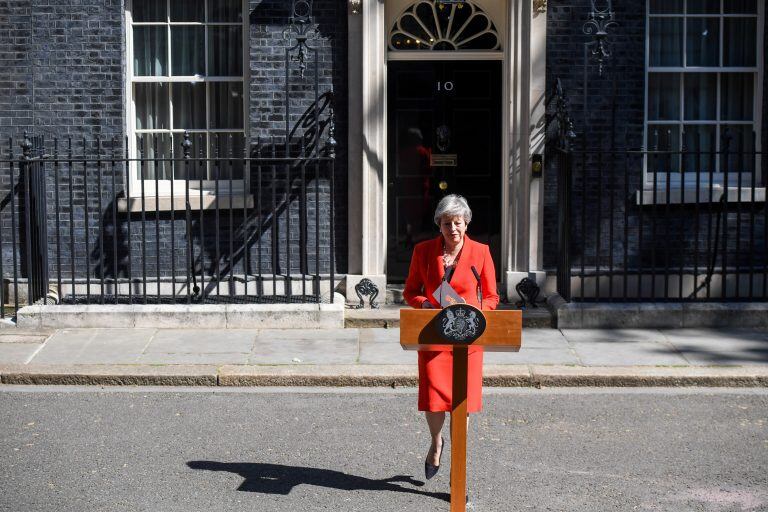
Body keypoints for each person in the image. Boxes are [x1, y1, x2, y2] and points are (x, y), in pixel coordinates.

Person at [402, 194, 499, 481]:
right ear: (439, 225)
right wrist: (426, 304)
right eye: (446, 223)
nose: (452, 229)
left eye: (458, 222)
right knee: (433, 401)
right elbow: (410, 291)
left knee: (462, 404)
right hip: (434, 335)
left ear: (466, 224)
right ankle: (436, 442)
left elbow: (492, 296)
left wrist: (476, 311)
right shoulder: (423, 252)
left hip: (467, 338)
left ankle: (459, 471)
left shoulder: (481, 252)